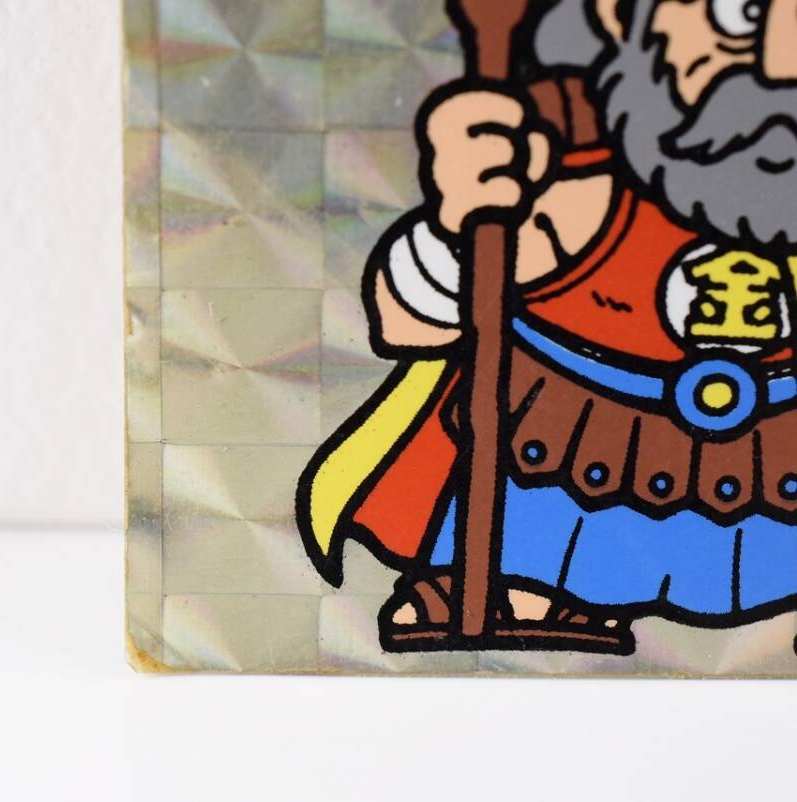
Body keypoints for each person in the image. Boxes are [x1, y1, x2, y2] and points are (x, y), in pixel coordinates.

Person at [297, 0, 797, 652]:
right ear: (619, 17)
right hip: (575, 475)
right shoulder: (571, 183)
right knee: (540, 574)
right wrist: (461, 219)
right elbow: (412, 321)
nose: (782, 64)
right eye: (739, 15)